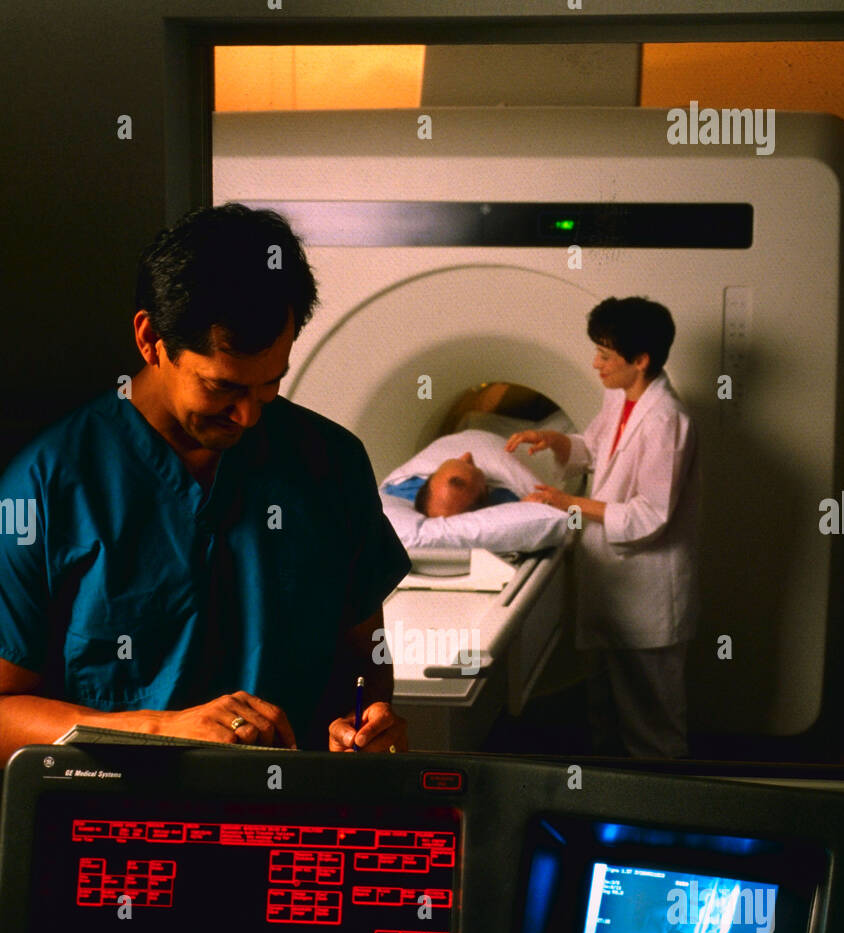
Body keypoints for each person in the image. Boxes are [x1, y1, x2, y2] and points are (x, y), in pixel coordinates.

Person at [0, 204, 410, 764]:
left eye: (270, 384)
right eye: (222, 388)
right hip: (120, 827)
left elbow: (367, 658)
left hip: (293, 820)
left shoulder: (329, 463)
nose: (249, 416)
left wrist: (365, 722)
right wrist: (160, 730)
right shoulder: (45, 488)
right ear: (150, 340)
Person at [506, 296, 699, 758]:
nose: (595, 363)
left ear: (641, 360)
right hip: (612, 585)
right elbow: (594, 449)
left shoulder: (667, 421)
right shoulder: (620, 397)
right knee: (605, 713)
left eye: (606, 355)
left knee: (653, 727)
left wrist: (565, 501)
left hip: (648, 592)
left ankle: (660, 811)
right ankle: (608, 808)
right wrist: (554, 439)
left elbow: (649, 516)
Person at [382, 451, 521, 518]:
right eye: (469, 464)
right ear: (484, 490)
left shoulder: (402, 488)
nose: (466, 455)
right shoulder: (509, 498)